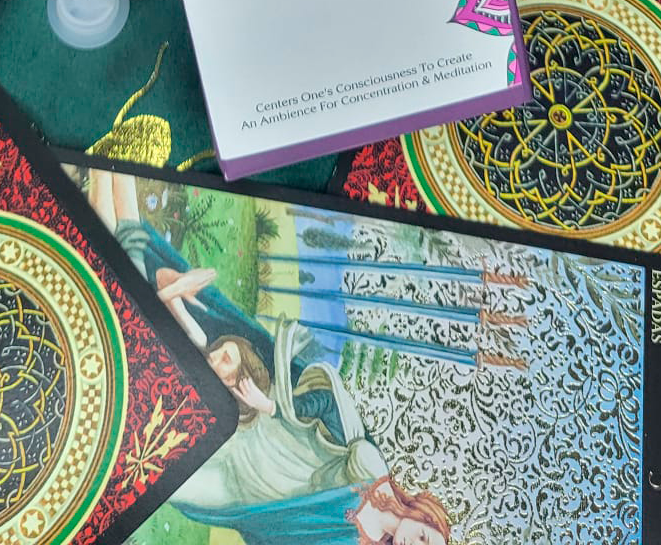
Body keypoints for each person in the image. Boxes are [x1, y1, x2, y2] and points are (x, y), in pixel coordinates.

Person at [87, 169, 451, 545]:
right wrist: (274, 407)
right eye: (425, 539)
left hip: (242, 494)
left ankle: (134, 268)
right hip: (253, 433)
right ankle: (110, 201)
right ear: (424, 516)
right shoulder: (373, 468)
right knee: (151, 337)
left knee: (141, 466)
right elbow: (327, 404)